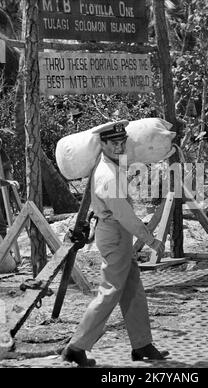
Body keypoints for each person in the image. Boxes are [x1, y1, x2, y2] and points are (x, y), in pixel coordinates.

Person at [62, 120, 169, 367]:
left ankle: (142, 344)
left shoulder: (112, 164)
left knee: (132, 287)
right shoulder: (107, 175)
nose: (120, 147)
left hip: (118, 231)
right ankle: (76, 347)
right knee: (110, 291)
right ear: (103, 143)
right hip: (115, 232)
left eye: (122, 142)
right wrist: (151, 240)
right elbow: (125, 215)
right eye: (114, 143)